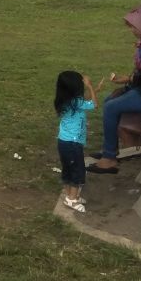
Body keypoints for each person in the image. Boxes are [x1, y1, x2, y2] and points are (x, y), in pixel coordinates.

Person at [87, 4, 141, 174]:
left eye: (135, 27)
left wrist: (130, 80)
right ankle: (110, 149)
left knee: (111, 107)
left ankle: (109, 159)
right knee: (110, 100)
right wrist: (129, 82)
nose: (132, 31)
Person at [55, 70, 99, 213]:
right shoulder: (77, 102)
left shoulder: (64, 101)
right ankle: (72, 200)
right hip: (73, 143)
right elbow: (94, 104)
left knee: (68, 169)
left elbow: (83, 102)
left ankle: (69, 195)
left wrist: (94, 90)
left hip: (63, 142)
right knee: (77, 171)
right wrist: (91, 87)